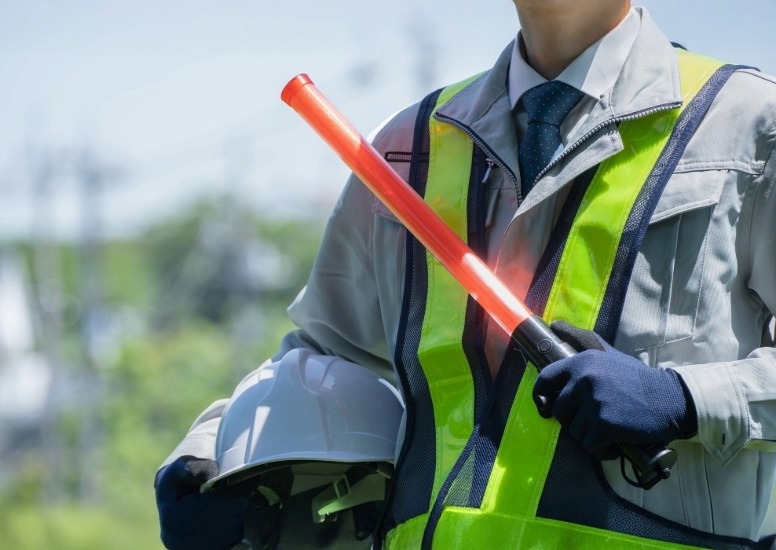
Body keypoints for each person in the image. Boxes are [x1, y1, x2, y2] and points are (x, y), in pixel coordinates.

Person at [155, 0, 776, 548]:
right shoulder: (409, 146)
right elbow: (323, 356)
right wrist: (207, 454)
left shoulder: (749, 127)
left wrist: (687, 399)